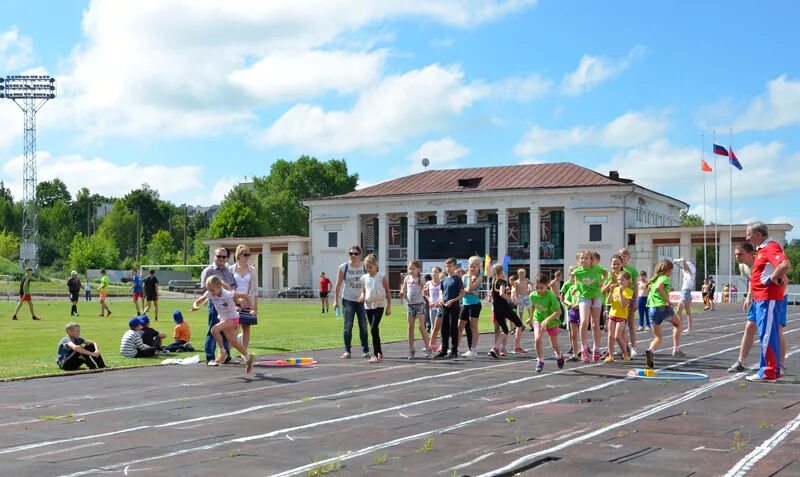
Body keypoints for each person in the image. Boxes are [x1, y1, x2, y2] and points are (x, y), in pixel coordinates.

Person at [744, 222, 791, 382]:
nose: (747, 237)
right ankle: (772, 369)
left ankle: (769, 371)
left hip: (767, 298)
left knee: (767, 335)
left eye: (749, 234)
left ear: (758, 234)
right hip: (762, 298)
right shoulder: (763, 250)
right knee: (767, 334)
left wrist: (772, 278)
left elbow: (785, 264)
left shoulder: (770, 247)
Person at [192, 275, 255, 373]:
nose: (211, 293)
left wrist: (252, 309)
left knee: (214, 330)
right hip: (224, 319)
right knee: (234, 342)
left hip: (233, 319)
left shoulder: (228, 294)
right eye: (209, 290)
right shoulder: (210, 293)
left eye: (212, 290)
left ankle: (222, 351)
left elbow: (245, 296)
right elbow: (197, 301)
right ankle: (248, 358)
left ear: (219, 287)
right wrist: (195, 306)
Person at [333, 245, 370, 359]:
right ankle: (347, 351)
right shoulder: (344, 267)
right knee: (348, 325)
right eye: (351, 253)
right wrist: (336, 300)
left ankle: (365, 350)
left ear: (360, 255)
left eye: (355, 253)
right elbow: (338, 284)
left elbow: (370, 282)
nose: (353, 255)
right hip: (348, 300)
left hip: (362, 301)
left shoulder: (365, 266)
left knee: (363, 325)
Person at [644, 260, 682, 369]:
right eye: (671, 271)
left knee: (658, 337)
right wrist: (669, 302)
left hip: (652, 309)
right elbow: (659, 288)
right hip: (662, 307)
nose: (671, 273)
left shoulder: (653, 279)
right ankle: (676, 349)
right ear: (668, 270)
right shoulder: (665, 278)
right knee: (678, 324)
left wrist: (667, 290)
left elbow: (654, 290)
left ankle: (650, 350)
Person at [200, 248, 235, 365]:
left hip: (227, 307)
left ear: (227, 258)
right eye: (219, 256)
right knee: (213, 330)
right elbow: (204, 289)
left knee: (226, 331)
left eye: (223, 257)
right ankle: (210, 358)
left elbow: (232, 287)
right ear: (214, 256)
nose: (221, 259)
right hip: (215, 304)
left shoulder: (228, 272)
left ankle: (226, 356)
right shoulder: (208, 271)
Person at [728, 242, 757, 373]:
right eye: (735, 254)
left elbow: (782, 278)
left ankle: (780, 364)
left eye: (740, 254)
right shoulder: (742, 266)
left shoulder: (761, 262)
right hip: (758, 299)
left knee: (774, 331)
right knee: (749, 327)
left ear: (750, 254)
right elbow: (752, 280)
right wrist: (748, 297)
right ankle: (741, 361)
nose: (737, 257)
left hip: (774, 298)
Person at [573, 250, 607, 362]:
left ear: (591, 260)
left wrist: (602, 282)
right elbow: (576, 281)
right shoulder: (577, 271)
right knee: (583, 321)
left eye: (586, 258)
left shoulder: (596, 268)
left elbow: (606, 273)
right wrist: (575, 288)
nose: (583, 260)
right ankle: (584, 349)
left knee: (595, 324)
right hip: (584, 298)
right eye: (581, 258)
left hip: (596, 297)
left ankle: (596, 349)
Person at [529, 273, 565, 372]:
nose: (539, 290)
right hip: (539, 318)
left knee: (554, 344)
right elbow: (533, 305)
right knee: (537, 339)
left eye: (541, 288)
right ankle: (540, 360)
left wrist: (547, 320)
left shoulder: (550, 296)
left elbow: (559, 312)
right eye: (537, 288)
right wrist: (531, 317)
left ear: (547, 285)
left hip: (551, 320)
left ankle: (559, 355)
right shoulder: (532, 295)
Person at [488, 264, 525, 358]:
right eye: (503, 271)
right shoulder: (502, 282)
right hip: (504, 308)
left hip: (496, 309)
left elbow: (497, 293)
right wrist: (512, 300)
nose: (504, 273)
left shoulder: (493, 282)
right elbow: (501, 294)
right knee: (519, 324)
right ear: (500, 272)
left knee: (505, 330)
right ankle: (517, 346)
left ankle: (494, 347)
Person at [360, 254, 391, 363]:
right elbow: (363, 291)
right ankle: (380, 353)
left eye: (370, 267)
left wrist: (389, 306)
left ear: (376, 266)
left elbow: (387, 291)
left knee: (373, 328)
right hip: (368, 306)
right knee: (374, 330)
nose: (368, 269)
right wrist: (362, 296)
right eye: (366, 267)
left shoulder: (382, 277)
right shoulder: (364, 278)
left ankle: (375, 354)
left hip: (379, 305)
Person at [434, 257, 465, 359]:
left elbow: (462, 294)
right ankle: (444, 350)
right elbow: (442, 292)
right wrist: (441, 300)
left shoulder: (457, 279)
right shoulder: (444, 280)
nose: (448, 268)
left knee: (453, 328)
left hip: (454, 306)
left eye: (450, 266)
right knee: (444, 329)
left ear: (455, 266)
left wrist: (453, 300)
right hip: (445, 307)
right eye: (446, 266)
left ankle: (454, 350)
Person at [401, 260, 431, 359]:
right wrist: (402, 292)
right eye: (410, 268)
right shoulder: (407, 278)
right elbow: (404, 289)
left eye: (413, 268)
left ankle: (427, 347)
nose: (411, 270)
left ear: (418, 270)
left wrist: (425, 292)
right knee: (410, 327)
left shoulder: (421, 279)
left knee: (421, 326)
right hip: (410, 305)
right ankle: (411, 349)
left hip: (419, 304)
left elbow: (426, 289)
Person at [230, 245, 258, 352]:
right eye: (245, 254)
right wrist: (237, 300)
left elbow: (255, 290)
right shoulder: (231, 269)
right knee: (234, 328)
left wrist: (255, 307)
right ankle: (228, 353)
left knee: (246, 327)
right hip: (234, 301)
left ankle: (244, 352)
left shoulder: (252, 270)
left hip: (248, 301)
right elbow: (229, 287)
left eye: (249, 254)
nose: (247, 257)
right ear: (239, 255)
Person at [457, 256, 483, 358]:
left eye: (474, 267)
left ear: (478, 267)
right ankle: (456, 347)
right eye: (470, 266)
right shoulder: (464, 277)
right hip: (465, 303)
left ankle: (473, 349)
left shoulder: (479, 277)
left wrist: (471, 281)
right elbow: (462, 290)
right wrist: (472, 291)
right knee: (459, 326)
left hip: (475, 304)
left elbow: (470, 288)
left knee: (473, 326)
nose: (472, 269)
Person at [604, 271, 633, 363]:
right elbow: (608, 302)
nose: (620, 281)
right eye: (619, 279)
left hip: (621, 317)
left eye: (622, 280)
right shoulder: (615, 289)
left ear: (628, 281)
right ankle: (610, 355)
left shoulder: (629, 291)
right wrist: (611, 292)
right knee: (610, 336)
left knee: (617, 336)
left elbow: (624, 304)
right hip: (612, 315)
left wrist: (620, 293)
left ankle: (625, 354)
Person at [619, 248, 640, 356]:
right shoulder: (618, 268)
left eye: (625, 255)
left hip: (630, 298)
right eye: (621, 255)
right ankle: (624, 347)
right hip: (618, 300)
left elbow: (636, 286)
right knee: (620, 325)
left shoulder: (632, 270)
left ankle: (634, 347)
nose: (623, 257)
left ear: (629, 256)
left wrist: (636, 300)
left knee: (631, 324)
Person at [673, 257, 696, 333]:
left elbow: (687, 268)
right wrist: (676, 263)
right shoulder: (686, 273)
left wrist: (684, 261)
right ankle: (681, 326)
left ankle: (688, 328)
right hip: (684, 292)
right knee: (679, 311)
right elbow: (681, 267)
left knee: (686, 311)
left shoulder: (691, 274)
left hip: (686, 292)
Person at [424, 266, 444, 353]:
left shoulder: (442, 283)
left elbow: (443, 294)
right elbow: (424, 293)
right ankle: (433, 344)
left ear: (439, 273)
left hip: (440, 307)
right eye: (432, 272)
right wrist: (429, 300)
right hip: (432, 307)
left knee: (441, 327)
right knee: (433, 326)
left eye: (435, 272)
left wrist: (438, 302)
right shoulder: (428, 283)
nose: (434, 274)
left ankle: (443, 345)